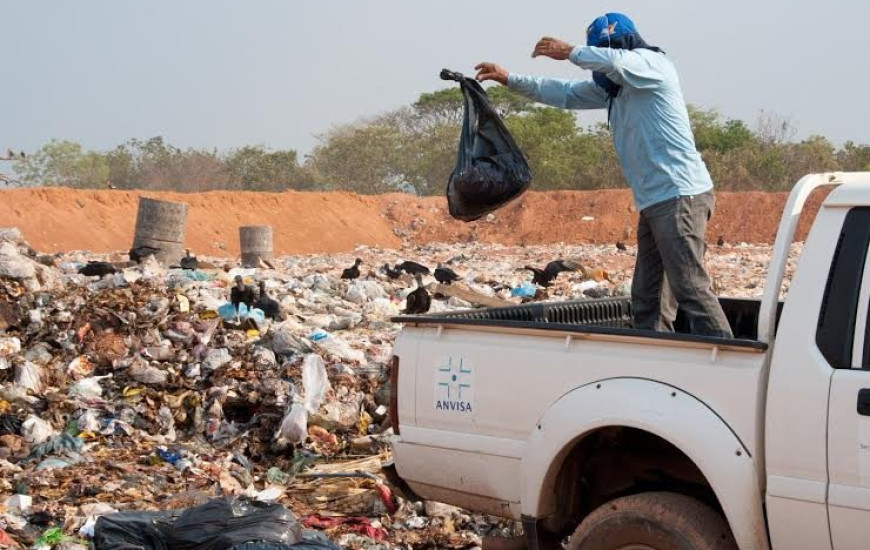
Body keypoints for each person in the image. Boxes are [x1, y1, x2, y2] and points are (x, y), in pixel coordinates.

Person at [475, 12, 733, 338]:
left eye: (600, 52)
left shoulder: (652, 66)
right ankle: (654, 360)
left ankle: (729, 360)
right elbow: (563, 92)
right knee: (649, 297)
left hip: (680, 195)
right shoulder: (615, 91)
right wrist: (509, 79)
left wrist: (569, 51)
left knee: (690, 288)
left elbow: (616, 61)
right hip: (656, 201)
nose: (598, 67)